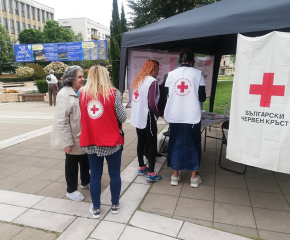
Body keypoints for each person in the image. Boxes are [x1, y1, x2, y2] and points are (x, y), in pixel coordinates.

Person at [79, 65, 127, 219]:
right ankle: (114, 205)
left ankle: (96, 208)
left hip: (91, 140)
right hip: (111, 141)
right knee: (114, 174)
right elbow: (123, 117)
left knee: (95, 176)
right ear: (106, 76)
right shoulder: (113, 94)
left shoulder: (82, 94)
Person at [164, 50, 206, 187]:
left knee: (175, 143)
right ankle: (194, 178)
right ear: (192, 61)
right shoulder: (198, 74)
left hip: (175, 115)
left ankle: (175, 177)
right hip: (192, 115)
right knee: (193, 144)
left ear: (179, 60)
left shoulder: (170, 75)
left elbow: (166, 95)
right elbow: (202, 97)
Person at [50, 66, 90, 202]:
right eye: (80, 77)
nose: (83, 79)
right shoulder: (64, 95)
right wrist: (67, 142)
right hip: (72, 138)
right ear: (71, 78)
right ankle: (71, 190)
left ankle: (86, 181)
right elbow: (61, 121)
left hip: (82, 136)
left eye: (83, 76)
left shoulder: (80, 91)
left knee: (85, 160)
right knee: (72, 163)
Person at [130, 60, 162, 183]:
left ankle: (142, 167)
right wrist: (158, 113)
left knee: (141, 142)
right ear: (153, 69)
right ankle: (152, 173)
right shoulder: (152, 82)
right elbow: (152, 103)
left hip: (138, 117)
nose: (158, 73)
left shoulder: (139, 80)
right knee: (152, 144)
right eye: (157, 69)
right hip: (147, 117)